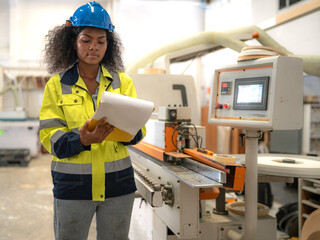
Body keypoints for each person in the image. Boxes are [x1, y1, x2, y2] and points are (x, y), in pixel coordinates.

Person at [39, 2, 146, 239]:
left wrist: (131, 129)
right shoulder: (56, 86)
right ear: (73, 42)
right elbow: (50, 138)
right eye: (86, 40)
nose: (94, 47)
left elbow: (138, 132)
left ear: (109, 44)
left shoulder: (122, 83)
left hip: (118, 186)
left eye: (101, 41)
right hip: (72, 188)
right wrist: (82, 139)